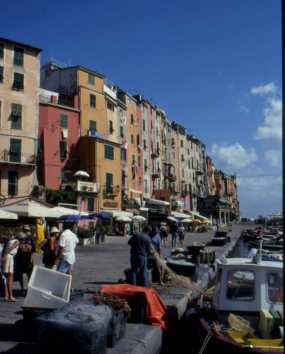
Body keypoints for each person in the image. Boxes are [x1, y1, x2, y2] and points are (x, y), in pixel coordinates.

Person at [14, 225, 36, 295]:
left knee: (30, 275)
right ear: (22, 230)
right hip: (19, 259)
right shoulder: (18, 237)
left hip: (28, 259)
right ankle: (22, 289)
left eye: (27, 230)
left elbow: (33, 251)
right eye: (25, 230)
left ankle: (29, 289)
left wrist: (31, 260)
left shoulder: (30, 238)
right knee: (20, 275)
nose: (26, 232)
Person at [1, 236, 19, 301]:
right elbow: (9, 249)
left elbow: (5, 249)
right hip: (9, 257)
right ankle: (10, 296)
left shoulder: (9, 241)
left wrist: (3, 257)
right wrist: (4, 256)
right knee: (10, 278)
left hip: (7, 257)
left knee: (6, 277)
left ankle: (7, 295)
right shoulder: (17, 241)